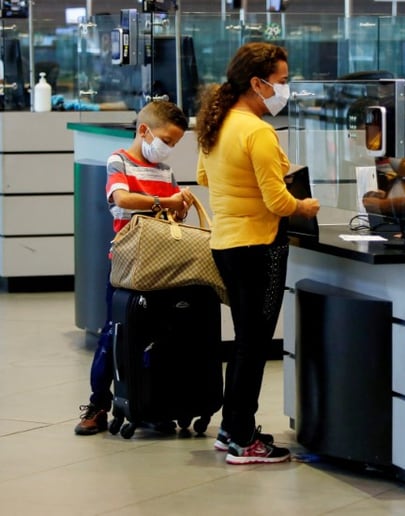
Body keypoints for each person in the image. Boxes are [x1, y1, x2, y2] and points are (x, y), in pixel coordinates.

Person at [194, 42, 319, 464]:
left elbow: (202, 177)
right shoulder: (258, 131)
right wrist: (304, 206)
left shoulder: (217, 123)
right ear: (257, 83)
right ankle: (242, 437)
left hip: (225, 243)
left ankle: (232, 428)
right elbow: (279, 203)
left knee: (245, 340)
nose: (285, 90)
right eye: (281, 82)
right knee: (253, 343)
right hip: (260, 248)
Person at [75, 100, 194, 435]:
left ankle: (152, 403)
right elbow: (121, 199)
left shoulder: (165, 172)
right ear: (144, 131)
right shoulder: (119, 161)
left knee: (158, 334)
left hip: (161, 266)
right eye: (166, 141)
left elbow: (173, 216)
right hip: (127, 266)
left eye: (174, 144)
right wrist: (163, 201)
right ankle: (98, 403)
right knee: (114, 333)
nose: (168, 149)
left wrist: (179, 205)